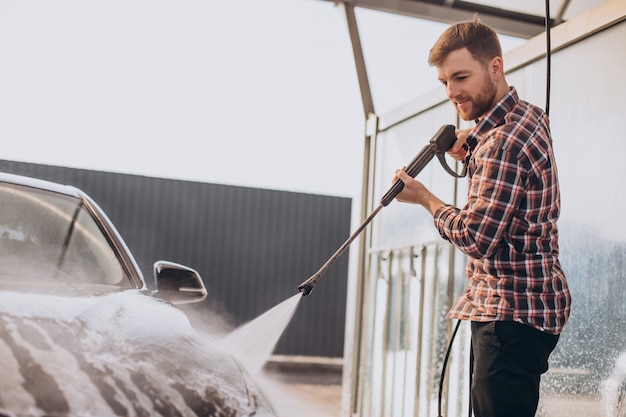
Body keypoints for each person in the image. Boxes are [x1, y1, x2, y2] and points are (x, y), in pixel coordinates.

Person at [393, 19, 572, 417]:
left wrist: (424, 198)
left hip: (509, 314)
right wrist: (472, 145)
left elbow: (477, 237)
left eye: (461, 77)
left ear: (495, 67)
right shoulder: (527, 117)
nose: (452, 92)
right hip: (533, 307)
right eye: (444, 82)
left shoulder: (501, 143)